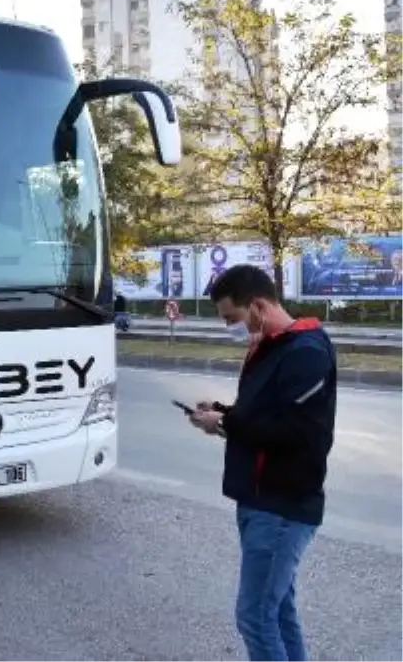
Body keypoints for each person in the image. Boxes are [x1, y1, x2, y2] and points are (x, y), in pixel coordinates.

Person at [187, 264, 336, 661]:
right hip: (259, 501)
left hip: (282, 507)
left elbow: (302, 436)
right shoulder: (271, 348)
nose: (230, 328)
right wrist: (220, 415)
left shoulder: (306, 352)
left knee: (254, 616)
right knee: (278, 611)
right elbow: (264, 417)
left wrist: (228, 422)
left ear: (257, 306)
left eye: (232, 319)